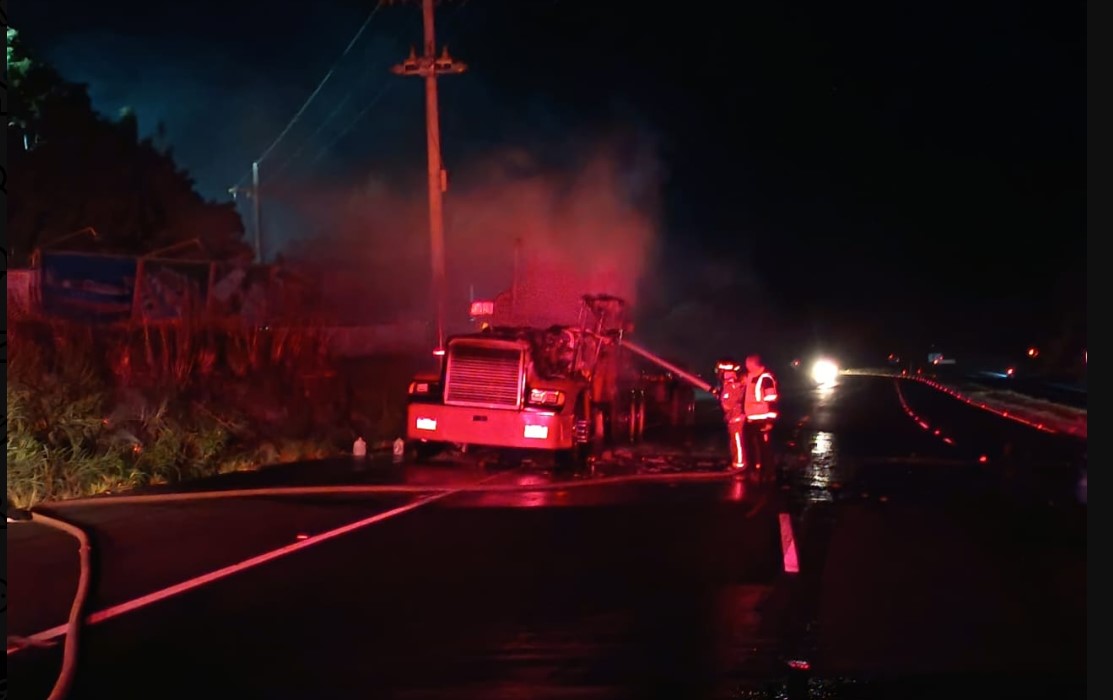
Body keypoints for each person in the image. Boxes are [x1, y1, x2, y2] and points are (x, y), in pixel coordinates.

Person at [741, 353, 779, 477]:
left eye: (747, 363)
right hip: (750, 420)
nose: (745, 365)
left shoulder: (766, 378)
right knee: (751, 446)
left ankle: (768, 473)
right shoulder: (749, 377)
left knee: (765, 449)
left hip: (762, 420)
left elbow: (772, 400)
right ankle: (754, 470)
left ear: (753, 364)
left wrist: (769, 421)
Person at [714, 359, 747, 469]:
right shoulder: (732, 385)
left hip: (736, 420)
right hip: (733, 420)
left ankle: (740, 465)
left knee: (737, 443)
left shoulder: (731, 386)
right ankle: (736, 463)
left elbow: (728, 404)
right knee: (734, 443)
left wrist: (722, 398)